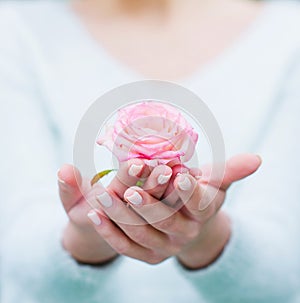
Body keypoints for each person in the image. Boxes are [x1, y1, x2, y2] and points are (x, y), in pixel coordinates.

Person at [0, 0, 300, 302]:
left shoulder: (288, 38)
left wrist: (206, 238)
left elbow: (281, 281)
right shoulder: (18, 31)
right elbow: (19, 269)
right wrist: (89, 239)